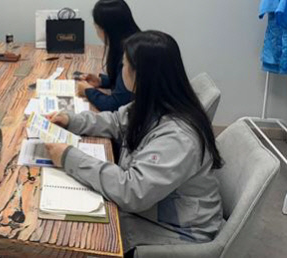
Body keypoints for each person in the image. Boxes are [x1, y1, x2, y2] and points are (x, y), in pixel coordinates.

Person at [45, 31, 223, 252]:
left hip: (177, 231)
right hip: (154, 207)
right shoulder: (155, 101)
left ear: (141, 75)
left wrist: (68, 157)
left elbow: (132, 192)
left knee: (71, 235)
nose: (121, 71)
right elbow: (116, 121)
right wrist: (71, 120)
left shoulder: (178, 137)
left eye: (124, 65)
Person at [76, 0, 140, 111]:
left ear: (105, 30)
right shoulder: (134, 42)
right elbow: (123, 87)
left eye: (96, 27)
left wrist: (88, 91)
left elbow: (115, 105)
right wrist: (102, 81)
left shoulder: (130, 55)